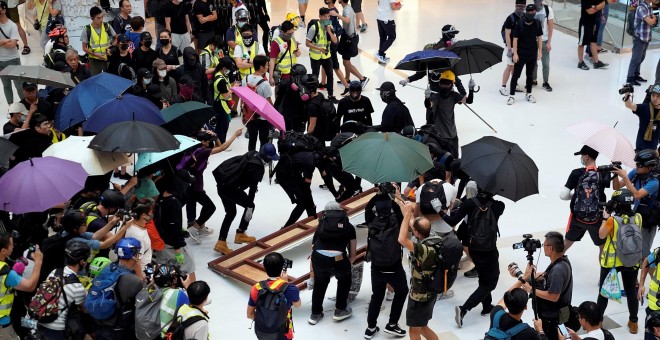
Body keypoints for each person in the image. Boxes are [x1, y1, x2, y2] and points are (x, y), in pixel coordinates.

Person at [443, 187, 505, 328]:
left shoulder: (469, 203)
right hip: (489, 249)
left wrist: (439, 211)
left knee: (483, 278)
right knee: (490, 283)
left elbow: (452, 221)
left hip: (473, 248)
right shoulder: (499, 206)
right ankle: (464, 309)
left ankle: (487, 306)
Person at [214, 144, 279, 254]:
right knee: (250, 206)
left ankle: (221, 242)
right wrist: (249, 205)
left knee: (230, 213)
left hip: (222, 185)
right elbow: (252, 190)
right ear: (267, 157)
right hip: (231, 189)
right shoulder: (258, 167)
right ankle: (240, 233)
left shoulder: (252, 153)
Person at [363, 183, 407, 338]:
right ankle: (392, 324)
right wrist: (393, 195)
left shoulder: (371, 222)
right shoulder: (397, 221)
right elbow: (400, 209)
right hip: (394, 265)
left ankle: (371, 328)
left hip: (377, 265)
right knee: (402, 292)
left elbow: (368, 209)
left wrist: (378, 194)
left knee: (377, 295)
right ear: (389, 208)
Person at [596, 189, 641, 334]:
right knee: (631, 292)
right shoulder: (638, 217)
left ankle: (597, 322)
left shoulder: (612, 220)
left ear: (617, 204)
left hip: (612, 263)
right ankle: (633, 323)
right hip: (631, 260)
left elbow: (601, 235)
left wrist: (605, 217)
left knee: (604, 293)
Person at [185, 129, 241, 242]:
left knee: (196, 203)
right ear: (204, 141)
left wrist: (215, 137)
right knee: (210, 207)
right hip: (195, 185)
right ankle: (194, 227)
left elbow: (218, 146)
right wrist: (235, 135)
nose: (210, 143)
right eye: (209, 141)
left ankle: (198, 226)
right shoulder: (203, 151)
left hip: (191, 183)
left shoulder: (194, 148)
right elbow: (222, 148)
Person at [308, 201, 356, 325]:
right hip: (338, 259)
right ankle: (340, 310)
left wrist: (312, 275)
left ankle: (315, 314)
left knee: (320, 283)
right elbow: (353, 254)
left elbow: (313, 248)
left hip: (318, 258)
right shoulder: (348, 226)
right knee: (344, 280)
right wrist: (347, 265)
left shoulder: (321, 225)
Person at [397, 204, 439, 340]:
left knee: (414, 330)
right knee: (422, 327)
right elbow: (415, 225)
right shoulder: (433, 238)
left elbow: (402, 239)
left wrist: (408, 214)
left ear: (416, 233)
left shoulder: (423, 250)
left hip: (420, 295)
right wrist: (404, 207)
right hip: (430, 292)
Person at [92, 237, 145, 339]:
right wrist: (139, 270)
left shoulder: (107, 268)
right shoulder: (133, 280)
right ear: (134, 256)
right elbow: (145, 296)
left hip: (99, 324)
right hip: (117, 329)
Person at [524, 232, 573, 340]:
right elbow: (546, 275)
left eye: (544, 245)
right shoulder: (561, 261)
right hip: (556, 314)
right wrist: (526, 276)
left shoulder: (558, 270)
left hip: (552, 318)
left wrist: (531, 290)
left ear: (550, 248)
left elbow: (553, 296)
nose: (542, 247)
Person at [36, 240, 89, 339]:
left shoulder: (55, 272)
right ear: (82, 262)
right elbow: (85, 310)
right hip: (56, 329)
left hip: (41, 320)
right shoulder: (77, 287)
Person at [613, 149, 659, 258]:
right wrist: (614, 173)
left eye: (639, 164)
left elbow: (637, 195)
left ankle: (651, 275)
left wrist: (624, 176)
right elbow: (616, 187)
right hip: (637, 214)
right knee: (631, 245)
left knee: (644, 252)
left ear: (649, 166)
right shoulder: (636, 172)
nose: (637, 166)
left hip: (649, 219)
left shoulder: (655, 182)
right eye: (636, 164)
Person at [561, 145, 609, 253]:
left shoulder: (576, 173)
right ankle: (604, 270)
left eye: (582, 156)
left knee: (566, 244)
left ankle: (553, 268)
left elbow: (563, 195)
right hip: (597, 218)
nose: (582, 158)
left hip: (577, 217)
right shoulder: (603, 173)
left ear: (587, 157)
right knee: (602, 248)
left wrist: (575, 196)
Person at [247, 252, 301, 339]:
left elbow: (249, 314)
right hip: (283, 333)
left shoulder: (256, 288)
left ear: (265, 267)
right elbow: (297, 305)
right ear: (281, 267)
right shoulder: (291, 289)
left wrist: (267, 324)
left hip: (263, 333)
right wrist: (285, 283)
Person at [0, 231, 43, 338]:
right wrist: (38, 262)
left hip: (13, 313)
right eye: (11, 245)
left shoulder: (6, 269)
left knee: (21, 319)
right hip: (3, 322)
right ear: (3, 250)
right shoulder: (5, 273)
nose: (13, 247)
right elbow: (30, 286)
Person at [153, 176, 196, 281]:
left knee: (162, 270)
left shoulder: (161, 197)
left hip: (161, 241)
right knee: (189, 265)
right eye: (187, 184)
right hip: (171, 244)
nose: (188, 186)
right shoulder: (174, 203)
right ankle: (193, 293)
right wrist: (177, 248)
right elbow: (172, 226)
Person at [425, 70, 474, 157]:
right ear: (439, 84)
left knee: (454, 160)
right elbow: (428, 105)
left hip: (453, 136)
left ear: (452, 85)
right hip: (440, 138)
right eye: (442, 84)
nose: (444, 86)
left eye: (447, 84)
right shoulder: (436, 97)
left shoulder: (454, 95)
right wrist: (427, 98)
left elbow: (469, 100)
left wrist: (471, 90)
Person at [507, 4, 542, 106]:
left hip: (532, 54)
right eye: (529, 11)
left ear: (535, 12)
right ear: (526, 12)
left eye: (533, 12)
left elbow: (539, 37)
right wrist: (515, 54)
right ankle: (511, 95)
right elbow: (515, 39)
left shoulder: (537, 23)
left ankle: (529, 94)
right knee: (516, 75)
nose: (531, 13)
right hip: (521, 54)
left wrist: (540, 52)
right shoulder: (520, 24)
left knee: (530, 75)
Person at [306, 7, 338, 103]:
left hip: (326, 56)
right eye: (325, 16)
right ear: (320, 16)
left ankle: (331, 95)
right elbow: (307, 43)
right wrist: (319, 49)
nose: (327, 19)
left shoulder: (330, 26)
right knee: (315, 76)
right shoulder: (314, 27)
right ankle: (314, 94)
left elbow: (335, 41)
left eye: (328, 16)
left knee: (330, 75)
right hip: (315, 56)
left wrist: (329, 31)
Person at [152, 263, 191, 338]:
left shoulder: (150, 291)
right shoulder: (178, 294)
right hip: (166, 336)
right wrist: (188, 287)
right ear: (175, 279)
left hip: (151, 335)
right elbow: (195, 309)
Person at [243, 55, 272, 151]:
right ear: (261, 67)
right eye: (267, 65)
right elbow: (268, 102)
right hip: (262, 116)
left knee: (252, 138)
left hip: (250, 115)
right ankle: (262, 159)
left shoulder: (246, 79)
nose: (268, 67)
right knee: (263, 139)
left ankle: (250, 158)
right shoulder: (265, 83)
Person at [335, 0, 367, 87]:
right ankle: (347, 79)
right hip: (351, 36)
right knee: (346, 60)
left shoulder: (346, 10)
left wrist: (337, 15)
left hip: (349, 38)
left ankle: (362, 78)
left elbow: (347, 20)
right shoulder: (348, 7)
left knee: (346, 62)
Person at [627, 0, 656, 86]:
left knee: (641, 57)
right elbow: (651, 21)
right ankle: (630, 77)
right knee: (636, 58)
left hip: (646, 36)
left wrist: (652, 19)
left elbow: (653, 20)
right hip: (640, 37)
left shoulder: (649, 7)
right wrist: (652, 19)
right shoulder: (641, 7)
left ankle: (636, 75)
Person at [500, 0, 525, 96]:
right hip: (510, 46)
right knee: (510, 66)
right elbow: (507, 34)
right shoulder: (510, 18)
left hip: (519, 46)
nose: (520, 8)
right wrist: (510, 49)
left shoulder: (525, 17)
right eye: (518, 6)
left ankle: (515, 84)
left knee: (516, 66)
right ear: (515, 6)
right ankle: (503, 86)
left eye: (522, 6)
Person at [82, 7, 116, 76]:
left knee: (109, 78)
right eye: (98, 18)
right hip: (94, 60)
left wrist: (111, 47)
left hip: (107, 58)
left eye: (102, 17)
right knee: (96, 79)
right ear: (92, 18)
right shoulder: (87, 30)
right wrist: (95, 54)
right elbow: (84, 48)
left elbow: (116, 38)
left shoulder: (107, 26)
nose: (101, 20)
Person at [625, 83, 660, 151]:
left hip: (654, 148)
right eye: (653, 95)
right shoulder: (645, 108)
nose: (655, 98)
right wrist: (627, 93)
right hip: (640, 147)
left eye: (658, 96)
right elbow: (629, 105)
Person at [269, 19, 301, 89]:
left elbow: (298, 54)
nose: (291, 35)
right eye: (289, 33)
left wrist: (297, 52)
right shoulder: (276, 43)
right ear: (282, 32)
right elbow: (272, 60)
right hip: (282, 75)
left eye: (292, 33)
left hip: (293, 73)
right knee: (280, 94)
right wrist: (271, 77)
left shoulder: (293, 39)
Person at [0, 1, 22, 104]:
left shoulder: (12, 25)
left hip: (13, 59)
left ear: (4, 10)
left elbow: (13, 45)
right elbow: (10, 43)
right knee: (6, 85)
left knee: (19, 85)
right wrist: (5, 41)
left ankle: (24, 106)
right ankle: (11, 108)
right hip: (0, 61)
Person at [577, 0, 608, 70]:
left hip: (593, 23)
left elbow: (603, 4)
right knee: (582, 43)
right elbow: (590, 11)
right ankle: (580, 62)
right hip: (585, 23)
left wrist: (596, 8)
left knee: (593, 41)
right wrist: (598, 7)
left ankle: (596, 62)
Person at [211, 56, 236, 143]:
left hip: (220, 104)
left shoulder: (219, 74)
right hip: (221, 105)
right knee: (222, 125)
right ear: (224, 68)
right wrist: (233, 88)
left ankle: (220, 142)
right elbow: (225, 95)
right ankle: (221, 143)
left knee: (221, 125)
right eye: (229, 69)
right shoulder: (220, 80)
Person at [532, 0, 555, 92]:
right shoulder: (530, 9)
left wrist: (549, 42)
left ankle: (545, 82)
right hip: (533, 40)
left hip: (544, 40)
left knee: (545, 63)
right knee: (533, 62)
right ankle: (533, 80)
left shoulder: (548, 9)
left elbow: (550, 27)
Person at [124, 203, 154, 272]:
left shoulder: (135, 226)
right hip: (141, 270)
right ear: (143, 215)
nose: (151, 215)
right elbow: (137, 260)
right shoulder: (137, 235)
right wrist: (141, 275)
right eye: (150, 213)